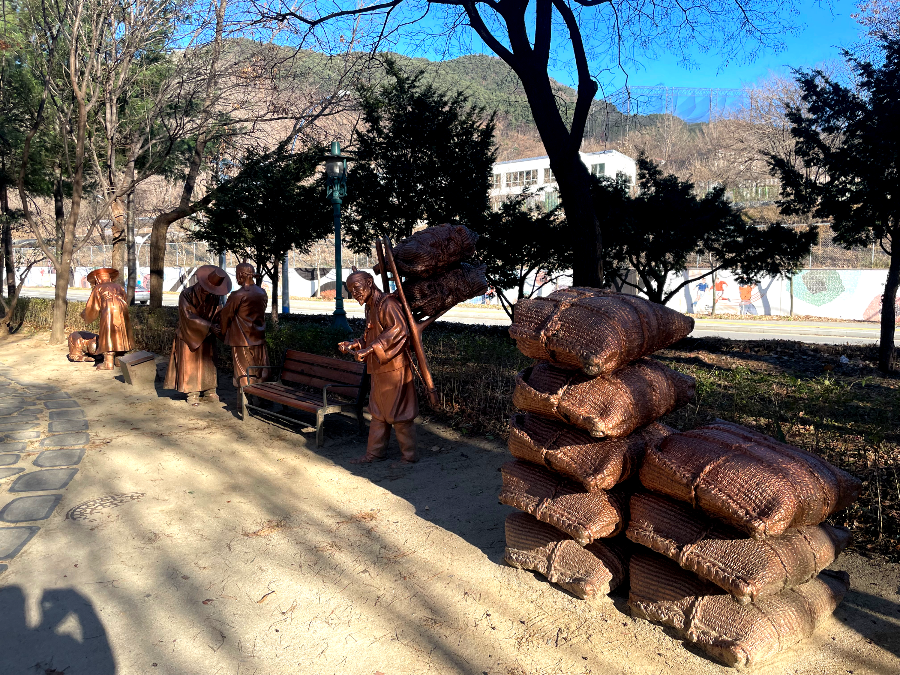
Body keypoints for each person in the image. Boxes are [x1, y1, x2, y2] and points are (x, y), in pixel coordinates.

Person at [338, 270, 418, 464]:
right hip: (379, 369)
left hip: (394, 369)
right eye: (351, 291)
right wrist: (355, 344)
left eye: (356, 288)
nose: (355, 294)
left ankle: (409, 456)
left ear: (369, 282)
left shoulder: (388, 304)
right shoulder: (370, 306)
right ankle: (374, 453)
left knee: (399, 412)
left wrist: (372, 348)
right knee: (378, 412)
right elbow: (370, 336)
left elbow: (399, 331)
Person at [164, 265, 231, 405]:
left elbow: (218, 313)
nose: (209, 292)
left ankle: (209, 390)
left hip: (207, 334)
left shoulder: (215, 297)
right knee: (190, 364)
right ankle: (192, 392)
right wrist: (210, 326)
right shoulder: (186, 294)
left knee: (208, 363)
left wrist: (220, 325)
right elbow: (188, 316)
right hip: (189, 334)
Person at [214, 262, 270, 389]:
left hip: (241, 340)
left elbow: (225, 316)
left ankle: (244, 404)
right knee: (259, 372)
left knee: (243, 374)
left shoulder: (238, 295)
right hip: (259, 338)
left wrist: (221, 332)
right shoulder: (262, 292)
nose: (236, 278)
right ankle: (260, 401)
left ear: (241, 275)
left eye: (237, 274)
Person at [67, 268, 134, 369]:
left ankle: (108, 363)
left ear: (98, 279)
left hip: (108, 310)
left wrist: (85, 315)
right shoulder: (119, 286)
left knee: (107, 333)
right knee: (120, 333)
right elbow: (125, 299)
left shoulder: (98, 287)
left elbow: (92, 306)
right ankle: (119, 360)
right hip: (122, 309)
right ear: (110, 278)